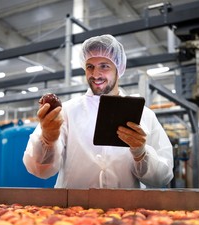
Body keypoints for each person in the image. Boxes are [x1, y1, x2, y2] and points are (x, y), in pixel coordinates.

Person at [23, 34, 173, 189]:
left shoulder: (144, 115)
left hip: (125, 210)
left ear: (118, 69)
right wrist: (47, 140)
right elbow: (38, 170)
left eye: (104, 66)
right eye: (90, 67)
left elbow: (163, 176)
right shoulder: (66, 112)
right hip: (73, 210)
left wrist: (141, 153)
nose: (95, 74)